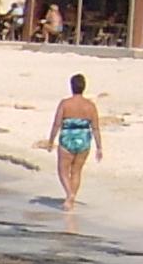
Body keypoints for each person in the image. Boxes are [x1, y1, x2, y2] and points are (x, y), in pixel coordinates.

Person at [42, 72, 103, 207]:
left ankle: (70, 194)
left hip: (67, 138)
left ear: (71, 86)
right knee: (76, 171)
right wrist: (99, 147)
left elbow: (57, 123)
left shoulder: (65, 104)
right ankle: (71, 198)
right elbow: (95, 128)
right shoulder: (90, 106)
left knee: (62, 169)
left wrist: (51, 141)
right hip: (84, 139)